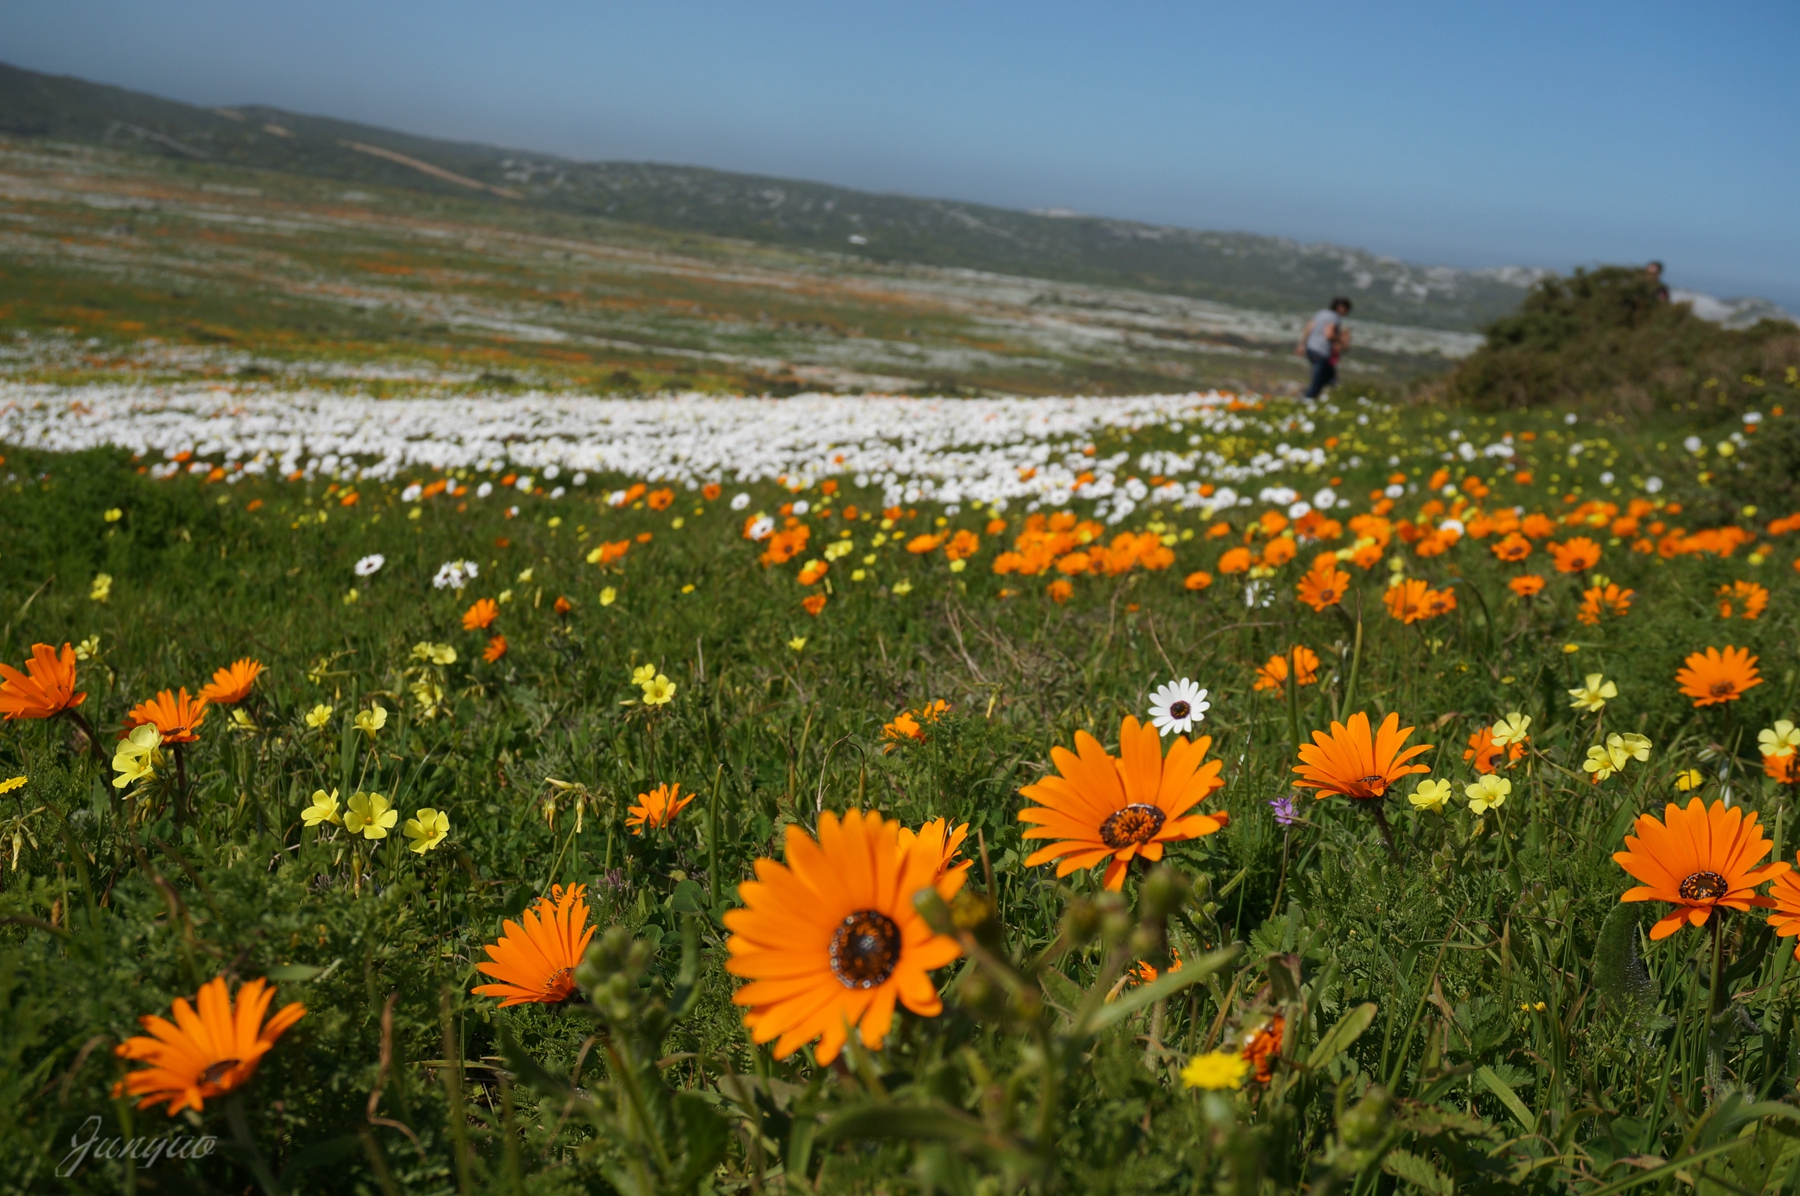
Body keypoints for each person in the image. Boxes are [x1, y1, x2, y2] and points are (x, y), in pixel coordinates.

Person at [1297, 298, 1352, 399]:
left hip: (1311, 347)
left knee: (1326, 376)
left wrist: (1302, 344)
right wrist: (1341, 339)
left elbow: (1309, 326)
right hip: (1321, 350)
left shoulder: (1321, 313)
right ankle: (1307, 398)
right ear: (1342, 308)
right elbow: (1328, 334)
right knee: (1319, 379)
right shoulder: (1335, 317)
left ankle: (1311, 396)